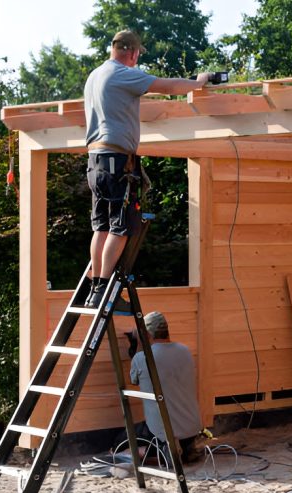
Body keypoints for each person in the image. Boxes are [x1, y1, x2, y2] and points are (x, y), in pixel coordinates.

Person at [83, 30, 210, 308]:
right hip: (116, 161)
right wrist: (197, 83)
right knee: (120, 227)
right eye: (138, 54)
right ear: (133, 52)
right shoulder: (121, 74)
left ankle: (95, 287)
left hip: (96, 162)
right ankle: (103, 291)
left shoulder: (95, 76)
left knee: (101, 226)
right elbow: (166, 86)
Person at [130, 311, 203, 464]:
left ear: (147, 334)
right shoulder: (185, 351)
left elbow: (133, 380)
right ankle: (184, 451)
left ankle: (162, 455)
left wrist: (139, 343)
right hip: (191, 428)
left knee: (120, 443)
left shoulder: (142, 358)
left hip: (163, 433)